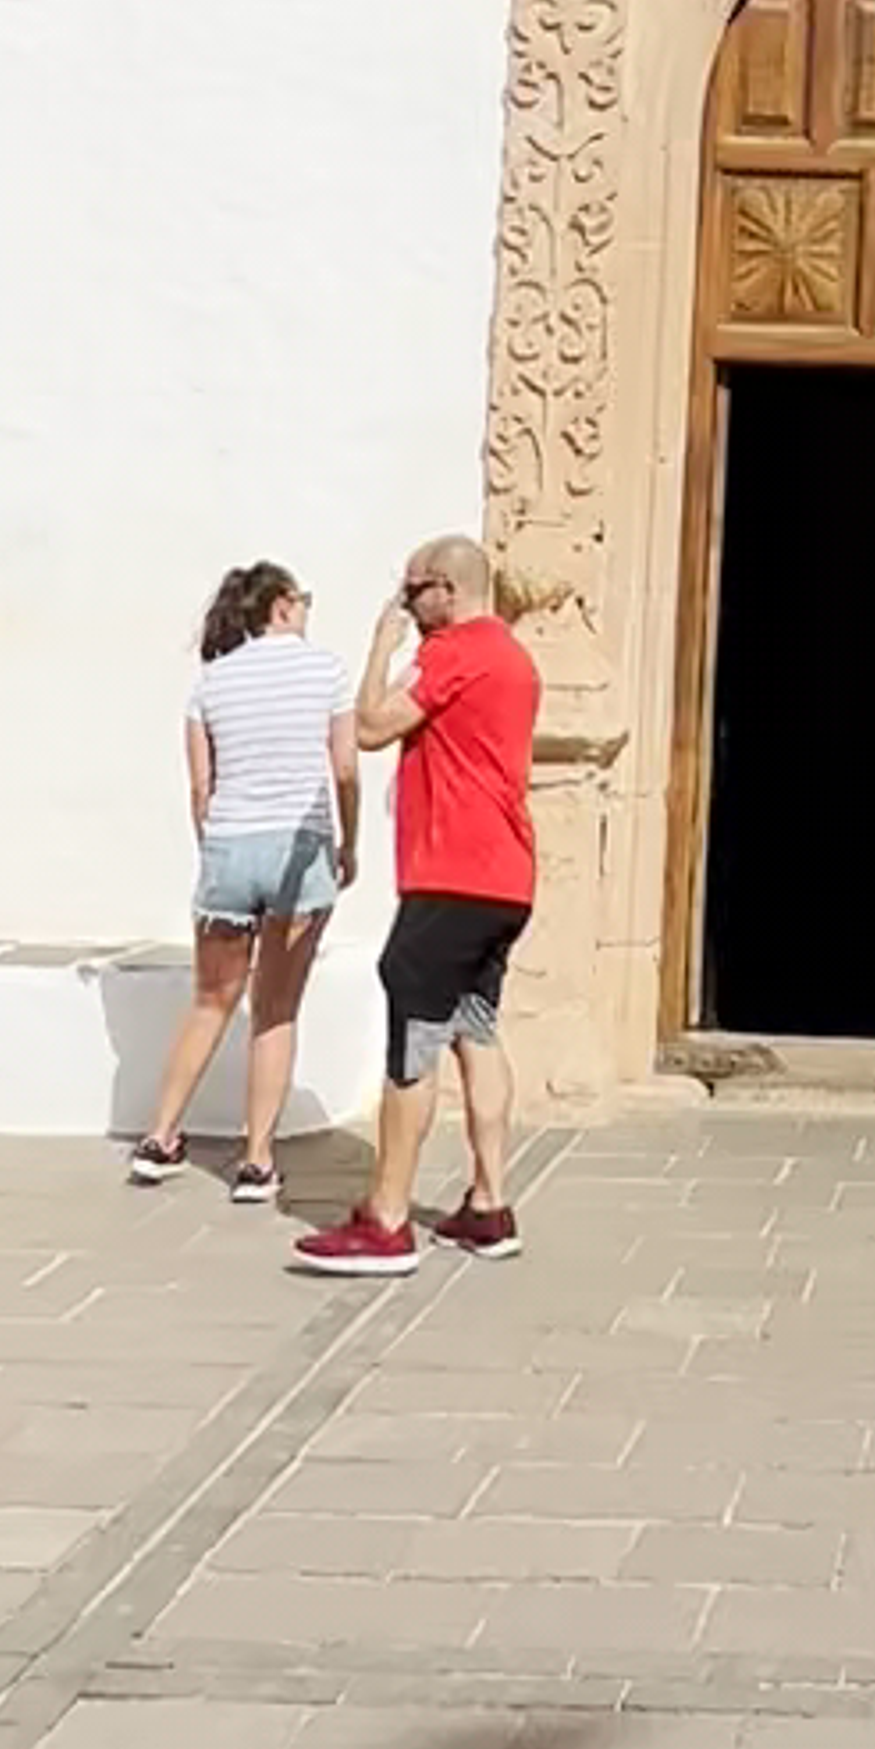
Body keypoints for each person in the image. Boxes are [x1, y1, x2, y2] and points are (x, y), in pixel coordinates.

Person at [290, 533, 539, 1275]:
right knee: (477, 1032)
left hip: (449, 876)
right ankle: (490, 1203)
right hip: (506, 878)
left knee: (413, 1047)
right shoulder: (515, 658)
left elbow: (369, 728)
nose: (406, 601)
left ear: (448, 590)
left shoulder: (454, 650)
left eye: (413, 589)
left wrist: (380, 645)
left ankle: (387, 1217)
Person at [127, 564, 360, 1208]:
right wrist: (350, 842)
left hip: (230, 849)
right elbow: (344, 768)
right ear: (282, 606)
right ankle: (257, 1160)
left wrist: (217, 852)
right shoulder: (326, 670)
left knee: (211, 1001)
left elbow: (201, 788)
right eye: (304, 600)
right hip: (298, 849)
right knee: (277, 1009)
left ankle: (160, 1137)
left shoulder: (210, 683)